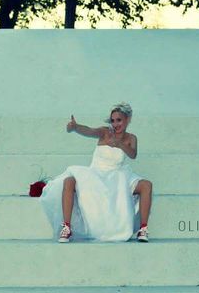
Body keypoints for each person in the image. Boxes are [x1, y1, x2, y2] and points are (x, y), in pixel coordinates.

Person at [40, 102, 153, 242]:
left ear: (127, 119)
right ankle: (67, 228)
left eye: (119, 120)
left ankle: (143, 229)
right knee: (68, 181)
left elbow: (133, 154)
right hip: (96, 173)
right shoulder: (105, 132)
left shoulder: (131, 138)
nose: (115, 124)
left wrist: (119, 144)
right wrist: (75, 127)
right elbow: (89, 131)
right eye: (113, 120)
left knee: (146, 185)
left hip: (118, 175)